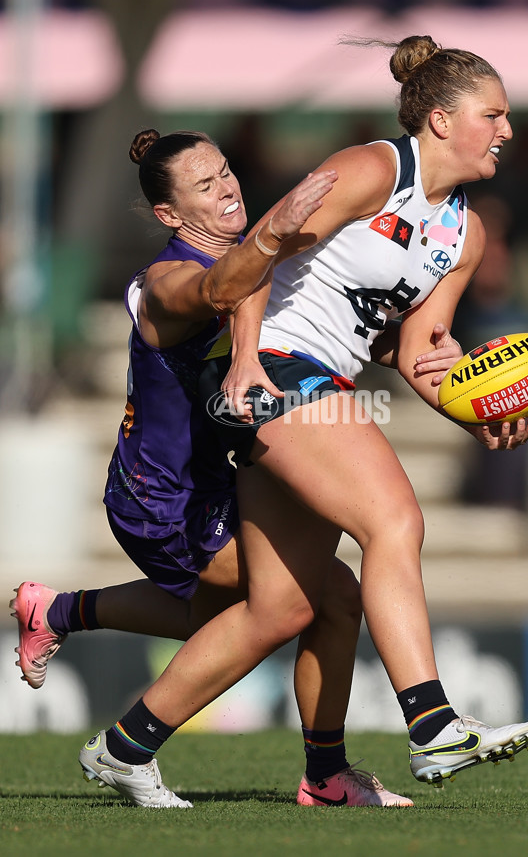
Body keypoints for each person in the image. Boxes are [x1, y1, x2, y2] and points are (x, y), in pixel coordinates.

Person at [52, 33, 528, 808]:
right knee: (395, 520)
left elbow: (422, 356)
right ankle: (432, 723)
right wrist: (246, 356)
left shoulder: (468, 233)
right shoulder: (374, 169)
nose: (507, 130)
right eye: (495, 114)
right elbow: (259, 250)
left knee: (290, 606)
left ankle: (131, 747)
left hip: (325, 380)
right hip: (276, 368)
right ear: (442, 120)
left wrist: (479, 413)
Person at [10, 129, 419, 809]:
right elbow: (223, 288)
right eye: (205, 186)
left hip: (218, 483)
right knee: (293, 603)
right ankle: (128, 747)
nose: (227, 187)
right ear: (170, 216)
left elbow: (282, 304)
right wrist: (272, 235)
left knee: (306, 602)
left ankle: (57, 611)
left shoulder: (252, 256)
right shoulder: (164, 283)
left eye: (226, 172)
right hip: (161, 499)